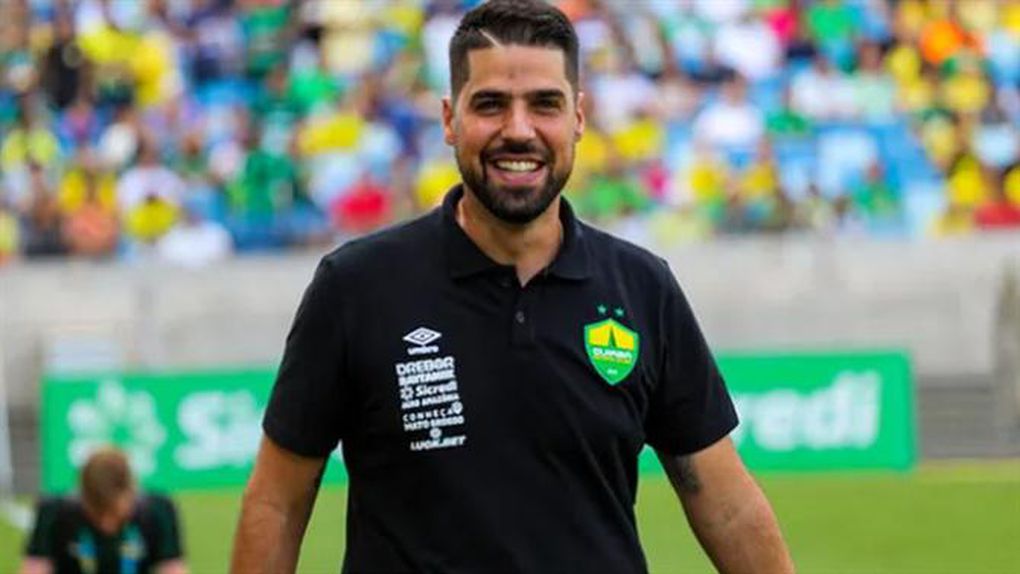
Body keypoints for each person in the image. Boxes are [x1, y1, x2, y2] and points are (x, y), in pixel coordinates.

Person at [231, 1, 794, 573]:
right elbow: (277, 502)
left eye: (545, 104)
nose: (519, 130)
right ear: (450, 120)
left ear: (578, 117)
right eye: (491, 105)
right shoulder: (356, 287)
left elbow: (726, 506)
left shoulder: (643, 288)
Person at [20, 447, 188, 574]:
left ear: (131, 492)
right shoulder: (53, 512)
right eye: (97, 513)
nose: (106, 524)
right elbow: (36, 567)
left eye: (115, 513)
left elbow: (172, 567)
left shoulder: (158, 510)